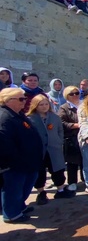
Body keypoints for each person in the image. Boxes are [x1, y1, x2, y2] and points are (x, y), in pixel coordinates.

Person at [0, 88, 43, 223]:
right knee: (13, 189)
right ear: (8, 101)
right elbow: (5, 144)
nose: (24, 101)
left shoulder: (17, 114)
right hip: (16, 164)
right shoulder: (5, 117)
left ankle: (19, 206)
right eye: (21, 99)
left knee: (23, 187)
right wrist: (15, 160)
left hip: (28, 161)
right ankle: (12, 214)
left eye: (24, 98)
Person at [27, 94, 75, 205]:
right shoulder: (30, 118)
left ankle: (60, 189)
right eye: (41, 105)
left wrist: (59, 141)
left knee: (57, 169)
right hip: (38, 150)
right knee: (40, 172)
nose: (44, 107)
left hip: (54, 148)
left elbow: (60, 130)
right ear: (35, 105)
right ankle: (41, 192)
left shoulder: (54, 117)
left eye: (46, 104)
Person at [58, 86, 84, 192]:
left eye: (77, 93)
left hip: (84, 136)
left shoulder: (84, 105)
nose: (75, 95)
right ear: (66, 96)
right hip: (72, 137)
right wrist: (75, 125)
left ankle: (86, 178)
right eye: (72, 94)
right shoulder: (64, 107)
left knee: (85, 160)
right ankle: (72, 182)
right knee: (72, 161)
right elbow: (62, 122)